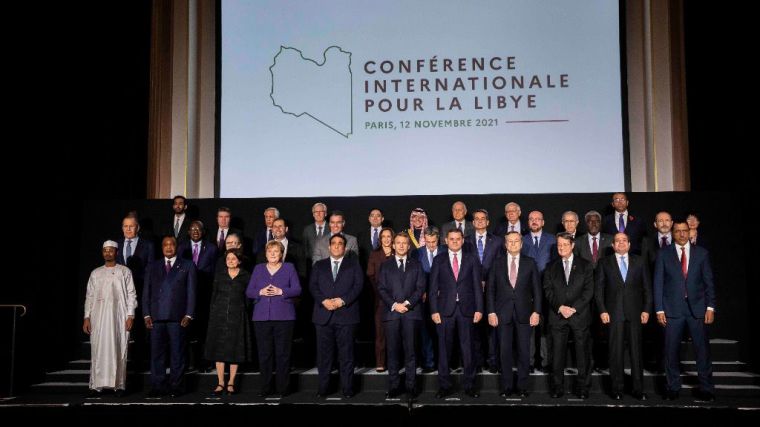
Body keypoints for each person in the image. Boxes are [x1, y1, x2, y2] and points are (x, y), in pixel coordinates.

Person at [654, 220, 716, 401]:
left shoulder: (702, 254)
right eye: (678, 231)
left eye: (684, 231)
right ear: (672, 234)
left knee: (702, 351)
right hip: (672, 310)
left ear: (690, 232)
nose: (681, 234)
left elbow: (709, 283)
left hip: (698, 310)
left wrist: (710, 306)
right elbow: (658, 283)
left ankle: (706, 388)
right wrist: (659, 309)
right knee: (670, 351)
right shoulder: (663, 254)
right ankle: (673, 387)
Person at [595, 233, 652, 401]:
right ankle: (617, 389)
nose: (621, 243)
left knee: (636, 353)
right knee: (616, 353)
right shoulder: (604, 263)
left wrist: (647, 309)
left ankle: (638, 389)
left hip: (636, 313)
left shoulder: (640, 261)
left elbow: (647, 288)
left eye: (624, 241)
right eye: (617, 241)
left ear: (629, 244)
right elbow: (599, 290)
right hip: (613, 314)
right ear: (613, 245)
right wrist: (602, 310)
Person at [430, 228, 483, 398]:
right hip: (445, 310)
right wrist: (434, 310)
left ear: (462, 240)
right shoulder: (438, 260)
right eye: (451, 239)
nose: (454, 241)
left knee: (468, 350)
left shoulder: (472, 259)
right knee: (444, 350)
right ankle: (444, 386)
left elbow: (477, 287)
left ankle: (469, 386)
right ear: (446, 240)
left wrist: (479, 309)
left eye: (457, 239)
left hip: (467, 310)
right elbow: (432, 289)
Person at [487, 232, 541, 398]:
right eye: (509, 241)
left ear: (521, 243)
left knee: (524, 352)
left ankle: (523, 386)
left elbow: (537, 291)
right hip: (502, 314)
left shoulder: (530, 263)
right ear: (505, 244)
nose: (513, 244)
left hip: (525, 314)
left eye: (516, 241)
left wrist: (537, 311)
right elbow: (490, 290)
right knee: (504, 352)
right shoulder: (496, 263)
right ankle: (506, 386)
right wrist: (491, 311)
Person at [310, 234, 364, 398]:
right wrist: (324, 301)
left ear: (345, 247)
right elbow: (313, 286)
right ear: (329, 247)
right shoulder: (319, 265)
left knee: (346, 355)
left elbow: (358, 286)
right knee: (324, 356)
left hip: (346, 316)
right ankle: (323, 389)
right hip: (323, 315)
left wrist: (343, 301)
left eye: (340, 243)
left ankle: (347, 389)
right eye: (333, 243)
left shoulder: (353, 264)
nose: (337, 246)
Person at [143, 236, 197, 397]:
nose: (168, 247)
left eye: (171, 244)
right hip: (156, 317)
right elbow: (146, 292)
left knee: (177, 354)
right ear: (161, 247)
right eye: (165, 244)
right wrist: (146, 314)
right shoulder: (153, 266)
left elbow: (192, 292)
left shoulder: (187, 265)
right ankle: (158, 386)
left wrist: (189, 314)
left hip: (178, 317)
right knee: (157, 354)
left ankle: (176, 387)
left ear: (177, 247)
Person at [247, 241, 302, 397]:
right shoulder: (258, 269)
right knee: (264, 355)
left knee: (283, 354)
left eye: (276, 251)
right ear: (265, 253)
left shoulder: (289, 267)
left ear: (281, 253)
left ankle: (283, 389)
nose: (272, 254)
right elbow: (249, 291)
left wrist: (280, 291)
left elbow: (297, 289)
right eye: (270, 251)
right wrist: (261, 292)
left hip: (284, 317)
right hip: (261, 317)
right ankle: (265, 388)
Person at [83, 240, 138, 397]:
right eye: (105, 250)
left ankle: (119, 385)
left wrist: (130, 315)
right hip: (98, 317)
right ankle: (96, 386)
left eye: (111, 250)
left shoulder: (124, 271)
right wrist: (87, 317)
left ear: (116, 252)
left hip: (118, 316)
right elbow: (90, 296)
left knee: (119, 348)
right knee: (97, 350)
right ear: (102, 252)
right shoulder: (96, 273)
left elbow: (131, 294)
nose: (108, 253)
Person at [543, 232, 594, 399]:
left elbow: (588, 291)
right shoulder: (550, 266)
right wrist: (560, 307)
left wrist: (573, 308)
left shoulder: (585, 265)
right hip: (558, 316)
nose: (561, 248)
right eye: (559, 245)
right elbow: (548, 291)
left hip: (579, 316)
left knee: (582, 354)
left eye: (565, 244)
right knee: (557, 355)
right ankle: (557, 387)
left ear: (572, 245)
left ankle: (583, 388)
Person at [378, 232, 425, 399]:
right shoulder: (385, 265)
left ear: (408, 245)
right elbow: (381, 288)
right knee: (392, 352)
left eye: (404, 243)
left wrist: (407, 304)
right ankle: (394, 386)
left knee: (411, 351)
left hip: (411, 314)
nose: (401, 246)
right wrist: (394, 305)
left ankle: (411, 387)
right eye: (398, 243)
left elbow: (420, 288)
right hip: (392, 314)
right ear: (393, 245)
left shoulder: (417, 265)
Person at [204, 250, 252, 396]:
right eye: (228, 259)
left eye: (234, 258)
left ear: (239, 261)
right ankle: (220, 383)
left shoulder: (246, 276)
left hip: (237, 317)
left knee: (234, 350)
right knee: (218, 351)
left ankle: (231, 382)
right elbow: (214, 296)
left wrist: (243, 311)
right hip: (218, 317)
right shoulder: (219, 275)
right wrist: (213, 314)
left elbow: (249, 299)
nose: (230, 261)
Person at [464, 208, 503, 373]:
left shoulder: (498, 241)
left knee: (493, 328)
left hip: (493, 290)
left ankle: (493, 362)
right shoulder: (465, 241)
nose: (480, 221)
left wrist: (489, 282)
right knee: (475, 328)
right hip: (471, 291)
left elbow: (501, 265)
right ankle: (478, 362)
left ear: (488, 222)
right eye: (476, 219)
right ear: (473, 223)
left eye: (483, 219)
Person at [521, 210, 556, 372]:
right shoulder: (521, 240)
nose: (534, 221)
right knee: (528, 328)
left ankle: (545, 362)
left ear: (543, 222)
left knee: (545, 328)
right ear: (528, 222)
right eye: (531, 219)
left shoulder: (552, 240)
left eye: (538, 219)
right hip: (526, 291)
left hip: (547, 289)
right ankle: (528, 362)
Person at [413, 226, 445, 373]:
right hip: (424, 299)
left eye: (434, 242)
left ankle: (444, 362)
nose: (431, 245)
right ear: (424, 240)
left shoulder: (445, 251)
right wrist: (423, 291)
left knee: (444, 332)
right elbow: (415, 276)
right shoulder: (416, 253)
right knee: (426, 333)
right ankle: (429, 362)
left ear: (438, 239)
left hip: (444, 299)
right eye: (428, 242)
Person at [366, 227, 395, 372]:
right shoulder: (375, 254)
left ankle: (395, 362)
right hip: (381, 299)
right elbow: (371, 276)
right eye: (383, 236)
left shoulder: (399, 252)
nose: (386, 239)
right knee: (380, 333)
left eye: (389, 236)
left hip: (398, 299)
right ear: (380, 239)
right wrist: (382, 294)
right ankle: (380, 362)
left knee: (396, 333)